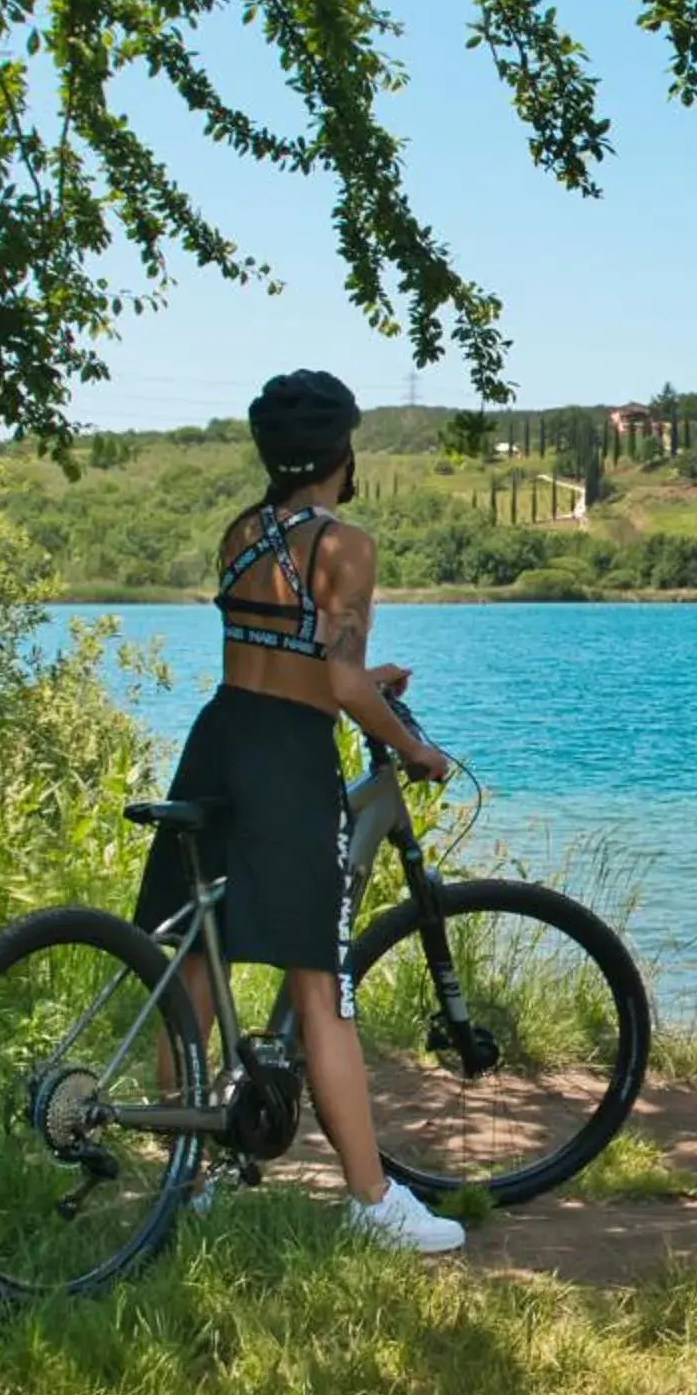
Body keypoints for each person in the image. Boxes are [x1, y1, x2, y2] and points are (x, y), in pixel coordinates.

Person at [132, 369, 466, 1255]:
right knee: (321, 985)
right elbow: (342, 683)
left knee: (199, 969)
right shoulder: (343, 545)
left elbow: (287, 655)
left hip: (220, 737)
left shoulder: (241, 532)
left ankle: (184, 1177)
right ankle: (374, 1203)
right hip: (286, 761)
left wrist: (360, 687)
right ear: (343, 454)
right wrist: (416, 747)